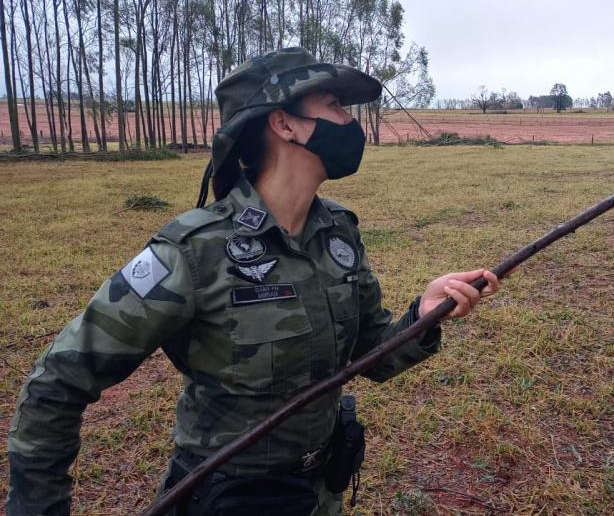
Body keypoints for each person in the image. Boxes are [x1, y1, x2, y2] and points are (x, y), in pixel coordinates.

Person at [7, 47, 500, 516]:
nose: (350, 122)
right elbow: (57, 383)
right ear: (284, 123)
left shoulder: (337, 232)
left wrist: (424, 314)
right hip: (229, 499)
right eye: (333, 105)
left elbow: (368, 354)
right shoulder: (194, 252)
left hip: (319, 490)